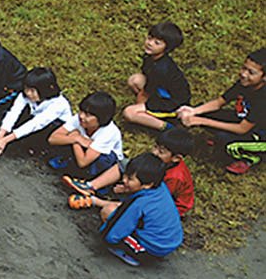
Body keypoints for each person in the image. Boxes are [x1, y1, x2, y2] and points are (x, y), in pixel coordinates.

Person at [65, 126, 195, 217]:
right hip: (146, 184)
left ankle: (96, 202)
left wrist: (128, 189)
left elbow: (155, 195)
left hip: (166, 205)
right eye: (155, 147)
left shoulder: (174, 177)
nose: (155, 152)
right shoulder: (159, 161)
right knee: (126, 164)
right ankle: (90, 186)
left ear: (176, 158)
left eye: (161, 152)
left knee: (134, 204)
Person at [177, 46, 265, 174]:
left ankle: (251, 157)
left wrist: (201, 121)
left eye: (251, 72)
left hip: (260, 137)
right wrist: (194, 111)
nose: (244, 74)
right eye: (244, 68)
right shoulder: (244, 83)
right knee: (207, 112)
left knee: (225, 140)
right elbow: (219, 102)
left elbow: (242, 129)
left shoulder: (263, 99)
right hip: (243, 120)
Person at [94, 153, 184, 267]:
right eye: (125, 175)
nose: (124, 180)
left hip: (151, 250)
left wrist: (104, 236)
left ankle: (131, 254)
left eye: (130, 179)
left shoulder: (139, 203)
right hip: (169, 242)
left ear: (147, 184)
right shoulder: (160, 187)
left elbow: (112, 234)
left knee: (108, 212)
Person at [121, 21, 191, 131]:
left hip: (172, 104)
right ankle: (149, 113)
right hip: (161, 91)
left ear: (166, 48)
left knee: (129, 113)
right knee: (135, 80)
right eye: (149, 38)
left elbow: (145, 93)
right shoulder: (151, 57)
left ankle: (168, 127)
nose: (150, 43)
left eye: (157, 43)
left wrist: (139, 108)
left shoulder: (161, 69)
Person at [0, 67, 72, 157]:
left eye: (32, 91)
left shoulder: (59, 104)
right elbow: (14, 112)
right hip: (35, 119)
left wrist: (5, 140)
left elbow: (37, 123)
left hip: (52, 127)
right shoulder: (25, 95)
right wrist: (0, 135)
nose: (28, 93)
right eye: (27, 89)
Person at [46, 91, 124, 179]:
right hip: (85, 150)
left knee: (103, 160)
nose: (82, 116)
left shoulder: (109, 133)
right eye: (81, 111)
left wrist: (75, 139)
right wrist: (76, 138)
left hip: (102, 161)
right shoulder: (79, 119)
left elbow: (83, 162)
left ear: (101, 118)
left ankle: (85, 176)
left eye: (88, 115)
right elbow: (52, 139)